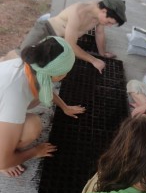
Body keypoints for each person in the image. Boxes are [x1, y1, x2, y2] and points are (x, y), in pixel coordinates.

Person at [0, 36, 85, 177]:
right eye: (66, 71)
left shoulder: (31, 65)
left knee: (36, 98)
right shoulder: (15, 94)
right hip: (8, 100)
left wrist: (65, 107)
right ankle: (5, 153)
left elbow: (44, 86)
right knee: (32, 127)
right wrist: (35, 152)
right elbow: (2, 162)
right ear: (58, 76)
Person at [1, 0, 127, 73]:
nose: (108, 25)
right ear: (104, 11)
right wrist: (93, 60)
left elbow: (99, 33)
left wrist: (102, 53)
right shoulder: (79, 11)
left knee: (36, 66)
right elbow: (71, 45)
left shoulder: (100, 16)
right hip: (46, 30)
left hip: (59, 41)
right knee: (23, 55)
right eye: (109, 22)